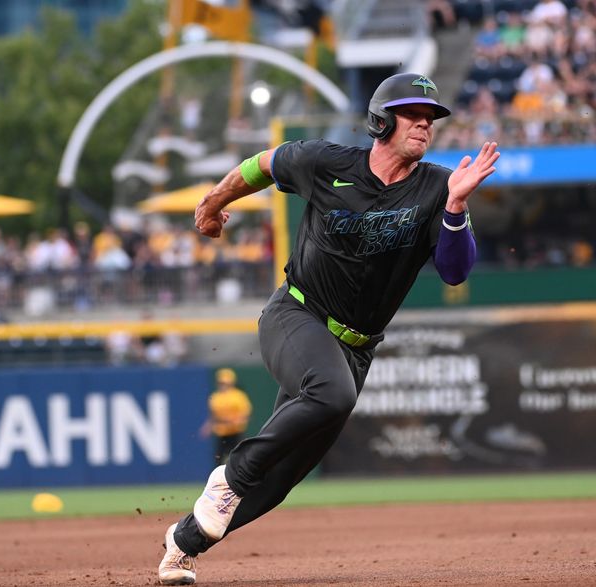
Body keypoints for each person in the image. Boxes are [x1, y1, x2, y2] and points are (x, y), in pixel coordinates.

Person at [158, 72, 499, 585]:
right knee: (329, 395)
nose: (425, 125)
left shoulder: (438, 187)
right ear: (381, 120)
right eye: (413, 115)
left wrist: (455, 207)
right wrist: (213, 202)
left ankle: (181, 546)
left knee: (276, 484)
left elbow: (455, 271)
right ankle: (230, 476)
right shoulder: (326, 161)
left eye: (430, 119)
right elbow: (263, 164)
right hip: (296, 315)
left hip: (357, 348)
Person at [200, 368, 252, 467]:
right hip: (222, 433)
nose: (223, 385)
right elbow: (213, 415)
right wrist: (207, 427)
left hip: (235, 432)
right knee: (218, 458)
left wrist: (238, 421)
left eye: (225, 383)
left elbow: (246, 413)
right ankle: (219, 480)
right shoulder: (215, 397)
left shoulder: (238, 396)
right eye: (221, 383)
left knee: (240, 458)